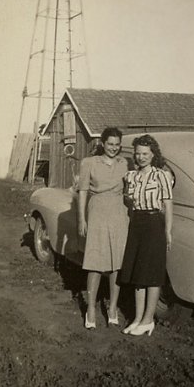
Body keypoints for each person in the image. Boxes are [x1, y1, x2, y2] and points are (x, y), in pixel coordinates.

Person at [120, 134, 173, 337]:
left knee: (151, 273)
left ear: (153, 155)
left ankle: (148, 320)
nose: (141, 157)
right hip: (137, 223)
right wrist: (128, 198)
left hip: (154, 223)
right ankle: (138, 318)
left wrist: (167, 231)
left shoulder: (162, 175)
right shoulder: (131, 176)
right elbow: (128, 201)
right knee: (137, 273)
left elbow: (168, 204)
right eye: (138, 153)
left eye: (145, 154)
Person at [78, 127, 128, 329]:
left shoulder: (124, 163)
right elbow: (82, 191)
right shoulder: (89, 163)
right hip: (97, 211)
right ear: (102, 144)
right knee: (95, 262)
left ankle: (113, 307)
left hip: (119, 213)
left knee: (117, 263)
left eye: (117, 145)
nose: (113, 148)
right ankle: (90, 308)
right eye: (110, 144)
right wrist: (82, 218)